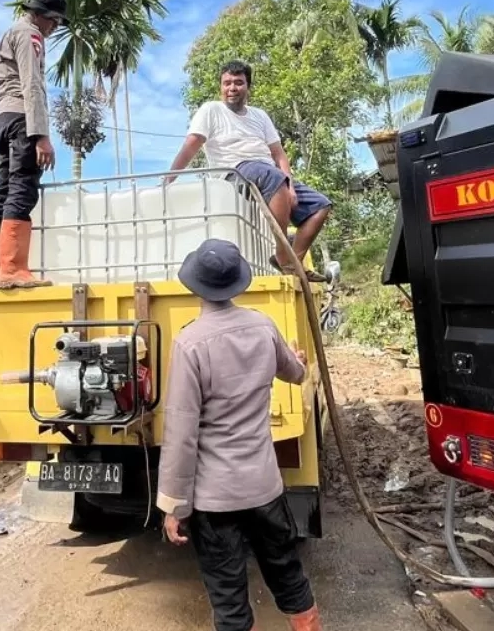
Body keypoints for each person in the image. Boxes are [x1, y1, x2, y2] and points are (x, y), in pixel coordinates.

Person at [157, 238, 322, 631]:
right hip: (265, 488)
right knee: (287, 573)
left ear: (195, 285)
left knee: (229, 598)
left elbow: (181, 433)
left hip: (215, 501)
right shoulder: (263, 326)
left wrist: (174, 506)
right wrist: (298, 362)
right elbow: (295, 372)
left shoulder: (190, 344)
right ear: (237, 283)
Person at [165, 60, 331, 281]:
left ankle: (293, 262)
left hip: (269, 173)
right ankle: (284, 256)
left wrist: (290, 185)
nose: (232, 88)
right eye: (227, 83)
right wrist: (170, 178)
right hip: (234, 171)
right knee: (273, 176)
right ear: (221, 87)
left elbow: (279, 154)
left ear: (248, 87)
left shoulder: (259, 115)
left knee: (320, 205)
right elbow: (191, 144)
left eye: (238, 83)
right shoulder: (211, 110)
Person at [0, 0, 64, 290]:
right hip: (21, 117)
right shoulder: (30, 34)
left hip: (1, 118)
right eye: (54, 20)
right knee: (22, 189)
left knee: (2, 192)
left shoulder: (8, 33)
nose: (55, 27)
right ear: (40, 15)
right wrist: (41, 135)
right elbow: (32, 84)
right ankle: (12, 269)